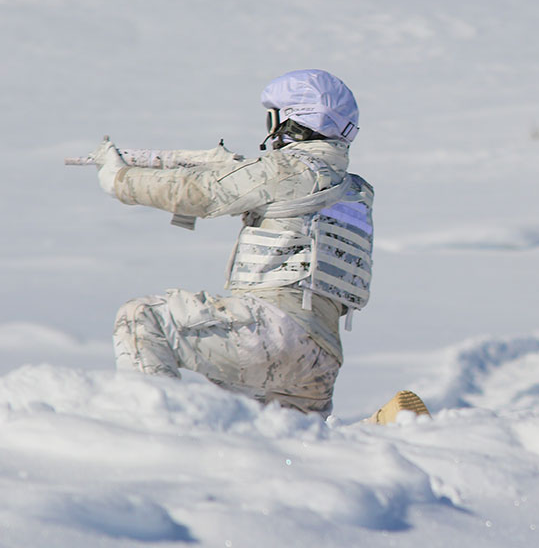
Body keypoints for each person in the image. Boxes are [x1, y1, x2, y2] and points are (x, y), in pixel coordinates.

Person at [88, 69, 383, 417]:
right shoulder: (356, 192)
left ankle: (152, 432)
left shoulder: (287, 168)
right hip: (320, 361)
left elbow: (198, 193)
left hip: (274, 333)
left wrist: (118, 178)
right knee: (281, 451)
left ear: (291, 120)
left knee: (141, 318)